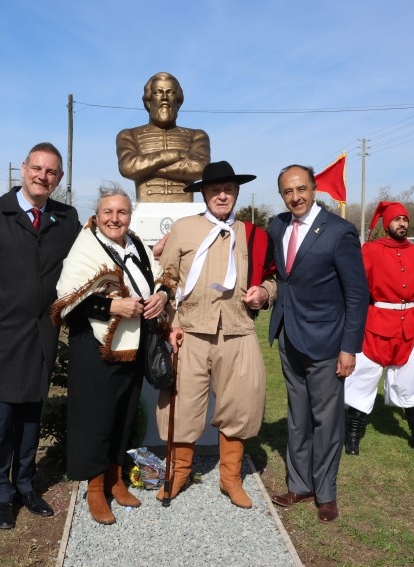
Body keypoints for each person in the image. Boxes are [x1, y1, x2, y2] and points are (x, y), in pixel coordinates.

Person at [0, 142, 80, 530]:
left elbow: (91, 257)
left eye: (51, 172)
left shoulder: (66, 217)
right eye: (37, 168)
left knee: (30, 419)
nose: (43, 177)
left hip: (41, 337)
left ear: (58, 179)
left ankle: (25, 484)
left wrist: (145, 248)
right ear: (23, 169)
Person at [156, 161, 277, 508]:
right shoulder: (183, 229)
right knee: (182, 404)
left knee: (240, 404)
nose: (221, 195)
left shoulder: (255, 234)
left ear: (236, 192)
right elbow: (166, 280)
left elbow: (271, 278)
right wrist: (172, 323)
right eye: (214, 190)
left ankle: (230, 477)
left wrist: (265, 293)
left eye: (228, 189)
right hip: (191, 331)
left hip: (238, 331)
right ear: (204, 194)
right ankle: (179, 472)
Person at [51, 184, 170, 524]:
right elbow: (67, 300)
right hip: (95, 347)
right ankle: (94, 488)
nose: (114, 218)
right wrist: (114, 304)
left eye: (121, 212)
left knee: (124, 414)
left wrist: (161, 295)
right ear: (97, 214)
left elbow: (159, 278)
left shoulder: (136, 244)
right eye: (108, 212)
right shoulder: (86, 247)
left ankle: (116, 479)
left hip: (131, 346)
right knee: (95, 420)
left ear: (130, 216)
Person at [267, 164, 368, 523]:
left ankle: (325, 493)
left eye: (301, 189)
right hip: (289, 337)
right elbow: (275, 273)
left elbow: (357, 294)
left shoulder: (339, 232)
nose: (295, 197)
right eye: (287, 192)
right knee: (297, 417)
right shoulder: (277, 226)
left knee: (326, 420)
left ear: (314, 189)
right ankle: (298, 484)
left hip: (328, 342)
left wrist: (349, 348)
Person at [343, 202, 414, 456]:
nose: (402, 224)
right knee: (363, 381)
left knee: (407, 384)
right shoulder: (370, 250)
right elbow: (357, 288)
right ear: (387, 223)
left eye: (405, 220)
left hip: (410, 328)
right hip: (375, 327)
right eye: (397, 219)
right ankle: (352, 437)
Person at [116, 71, 210, 203]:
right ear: (148, 101)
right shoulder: (128, 135)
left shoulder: (197, 135)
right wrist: (175, 154)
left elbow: (201, 168)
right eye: (158, 92)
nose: (164, 97)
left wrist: (144, 168)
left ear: (178, 101)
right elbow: (127, 167)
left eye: (170, 92)